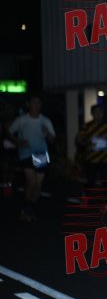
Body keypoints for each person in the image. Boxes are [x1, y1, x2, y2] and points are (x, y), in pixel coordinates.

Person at [9, 94, 56, 222]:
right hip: (26, 153)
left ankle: (28, 208)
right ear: (28, 104)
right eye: (34, 102)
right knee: (31, 181)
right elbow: (9, 132)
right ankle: (27, 208)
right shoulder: (21, 120)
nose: (36, 105)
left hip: (41, 154)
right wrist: (18, 142)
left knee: (38, 184)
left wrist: (47, 133)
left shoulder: (45, 120)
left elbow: (52, 140)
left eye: (38, 103)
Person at [75, 104, 107, 189]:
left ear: (103, 113)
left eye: (100, 112)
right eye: (96, 112)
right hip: (91, 158)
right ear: (92, 113)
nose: (98, 114)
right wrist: (86, 141)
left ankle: (106, 197)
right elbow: (79, 140)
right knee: (91, 181)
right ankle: (87, 195)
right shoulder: (86, 126)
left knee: (106, 181)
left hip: (104, 158)